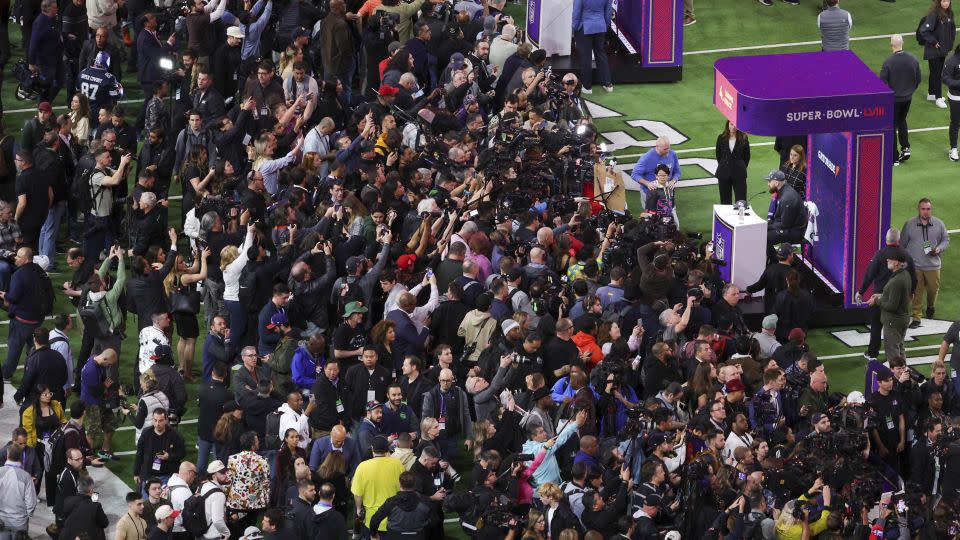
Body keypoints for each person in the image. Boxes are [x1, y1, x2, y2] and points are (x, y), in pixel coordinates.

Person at [900, 198, 949, 327]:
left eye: (928, 209)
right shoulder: (909, 225)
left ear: (931, 210)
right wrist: (904, 263)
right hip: (915, 266)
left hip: (933, 266)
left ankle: (931, 306)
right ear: (919, 210)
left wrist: (939, 248)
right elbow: (902, 245)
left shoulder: (939, 224)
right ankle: (916, 317)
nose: (926, 212)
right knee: (917, 292)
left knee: (933, 290)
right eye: (923, 209)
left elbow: (945, 239)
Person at [351, 435, 405, 537]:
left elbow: (357, 494)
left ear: (372, 448)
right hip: (394, 518)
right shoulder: (397, 464)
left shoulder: (362, 467)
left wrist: (358, 509)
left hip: (371, 520)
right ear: (387, 449)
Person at [881, 35, 921, 165]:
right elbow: (918, 79)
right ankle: (905, 148)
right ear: (902, 43)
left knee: (891, 125)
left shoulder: (888, 62)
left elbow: (883, 83)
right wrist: (909, 91)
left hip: (893, 99)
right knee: (902, 120)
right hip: (907, 98)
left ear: (891, 45)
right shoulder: (913, 59)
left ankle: (894, 157)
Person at [866, 252, 913, 360]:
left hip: (893, 322)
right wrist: (882, 295)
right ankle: (904, 374)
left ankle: (898, 376)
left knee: (893, 355)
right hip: (902, 318)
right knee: (900, 350)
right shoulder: (905, 275)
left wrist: (877, 300)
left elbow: (892, 306)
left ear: (896, 262)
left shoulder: (896, 281)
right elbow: (897, 296)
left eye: (890, 259)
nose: (887, 260)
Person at [920, 0, 956, 110]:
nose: (946, 3)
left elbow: (951, 31)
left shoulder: (949, 13)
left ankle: (931, 94)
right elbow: (924, 30)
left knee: (935, 72)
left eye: (948, 0)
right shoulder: (934, 14)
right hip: (933, 50)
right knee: (937, 74)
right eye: (944, 1)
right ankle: (938, 98)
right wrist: (934, 42)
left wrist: (949, 47)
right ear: (939, 2)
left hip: (942, 50)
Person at [571, 0, 613, 94]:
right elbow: (608, 11)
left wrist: (574, 27)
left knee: (586, 57)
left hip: (584, 27)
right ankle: (608, 84)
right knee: (601, 54)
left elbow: (577, 12)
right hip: (600, 25)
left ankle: (587, 87)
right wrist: (605, 24)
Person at [630, 136, 681, 208]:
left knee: (671, 216)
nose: (667, 151)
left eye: (669, 148)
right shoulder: (647, 158)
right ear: (657, 147)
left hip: (667, 194)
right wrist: (647, 183)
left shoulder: (672, 154)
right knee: (651, 217)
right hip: (650, 195)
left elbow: (677, 172)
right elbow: (634, 174)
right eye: (665, 149)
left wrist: (673, 181)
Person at [764, 170, 806, 249]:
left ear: (776, 183)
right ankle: (774, 258)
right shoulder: (783, 190)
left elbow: (785, 224)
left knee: (764, 238)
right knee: (761, 232)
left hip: (794, 231)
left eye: (769, 181)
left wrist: (767, 226)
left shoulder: (787, 198)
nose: (768, 184)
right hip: (788, 226)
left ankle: (775, 259)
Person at [714, 120, 751, 205]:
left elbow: (747, 156)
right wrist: (726, 165)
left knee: (741, 201)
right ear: (728, 125)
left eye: (735, 125)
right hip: (723, 173)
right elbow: (718, 155)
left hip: (739, 173)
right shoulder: (721, 138)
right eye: (731, 124)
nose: (733, 127)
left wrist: (739, 166)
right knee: (725, 202)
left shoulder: (744, 139)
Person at [943, 44, 960, 161]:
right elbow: (945, 78)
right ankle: (953, 149)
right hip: (956, 98)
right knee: (955, 122)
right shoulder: (952, 61)